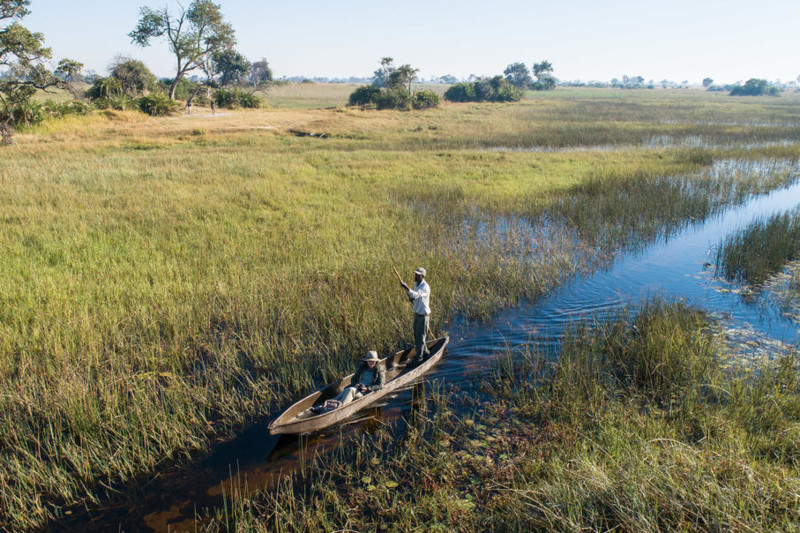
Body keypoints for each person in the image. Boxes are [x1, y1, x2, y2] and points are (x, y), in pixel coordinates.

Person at [399, 267, 430, 367]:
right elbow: (414, 297)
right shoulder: (416, 284)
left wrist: (406, 288)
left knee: (421, 337)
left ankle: (419, 359)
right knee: (417, 336)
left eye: (417, 275)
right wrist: (411, 298)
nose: (415, 276)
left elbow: (416, 295)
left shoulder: (425, 287)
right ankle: (426, 353)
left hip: (423, 316)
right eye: (415, 274)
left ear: (422, 276)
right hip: (417, 315)